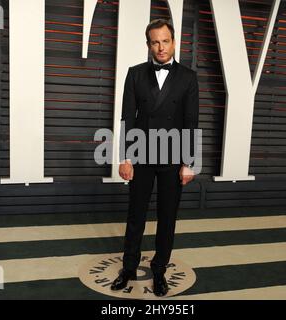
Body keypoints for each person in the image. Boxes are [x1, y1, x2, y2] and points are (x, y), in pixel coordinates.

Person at [110, 19, 199, 297]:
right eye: (155, 42)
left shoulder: (188, 77)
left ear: (174, 42)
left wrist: (189, 162)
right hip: (142, 156)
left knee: (167, 217)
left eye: (166, 41)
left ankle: (159, 271)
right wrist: (125, 157)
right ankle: (128, 268)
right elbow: (128, 118)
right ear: (148, 44)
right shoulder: (135, 74)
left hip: (173, 158)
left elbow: (191, 121)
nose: (161, 47)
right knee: (136, 215)